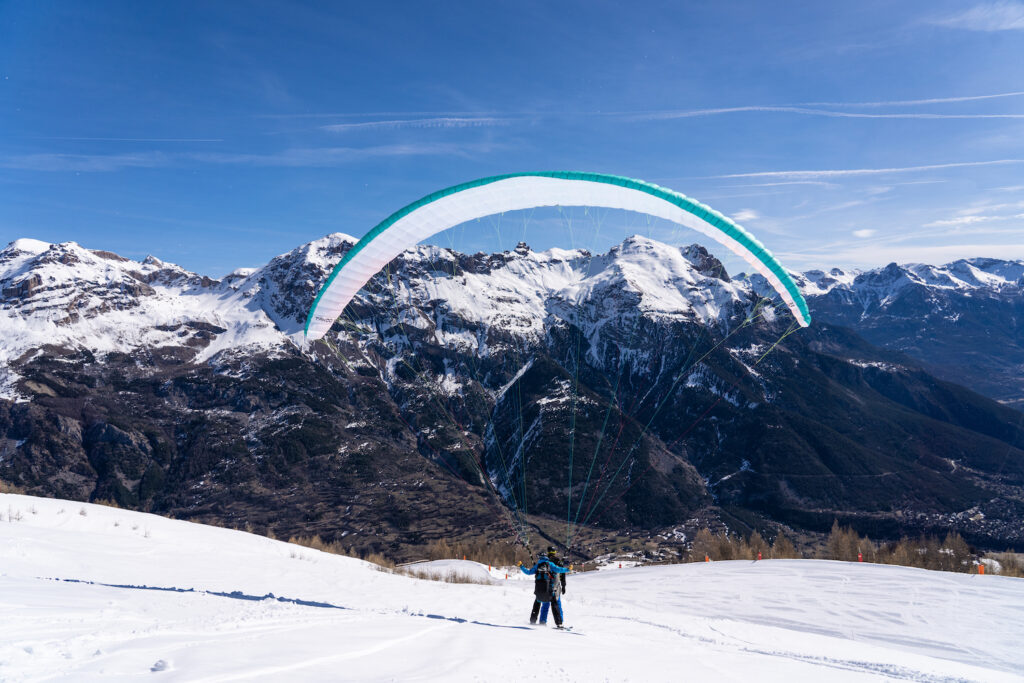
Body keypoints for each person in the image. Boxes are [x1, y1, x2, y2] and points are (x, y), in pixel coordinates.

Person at [520, 551, 569, 627]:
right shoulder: (550, 564)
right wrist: (568, 569)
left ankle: (533, 621)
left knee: (537, 604)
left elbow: (528, 572)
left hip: (539, 589)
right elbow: (559, 569)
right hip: (549, 589)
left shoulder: (537, 565)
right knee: (555, 605)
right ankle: (559, 623)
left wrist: (521, 566)